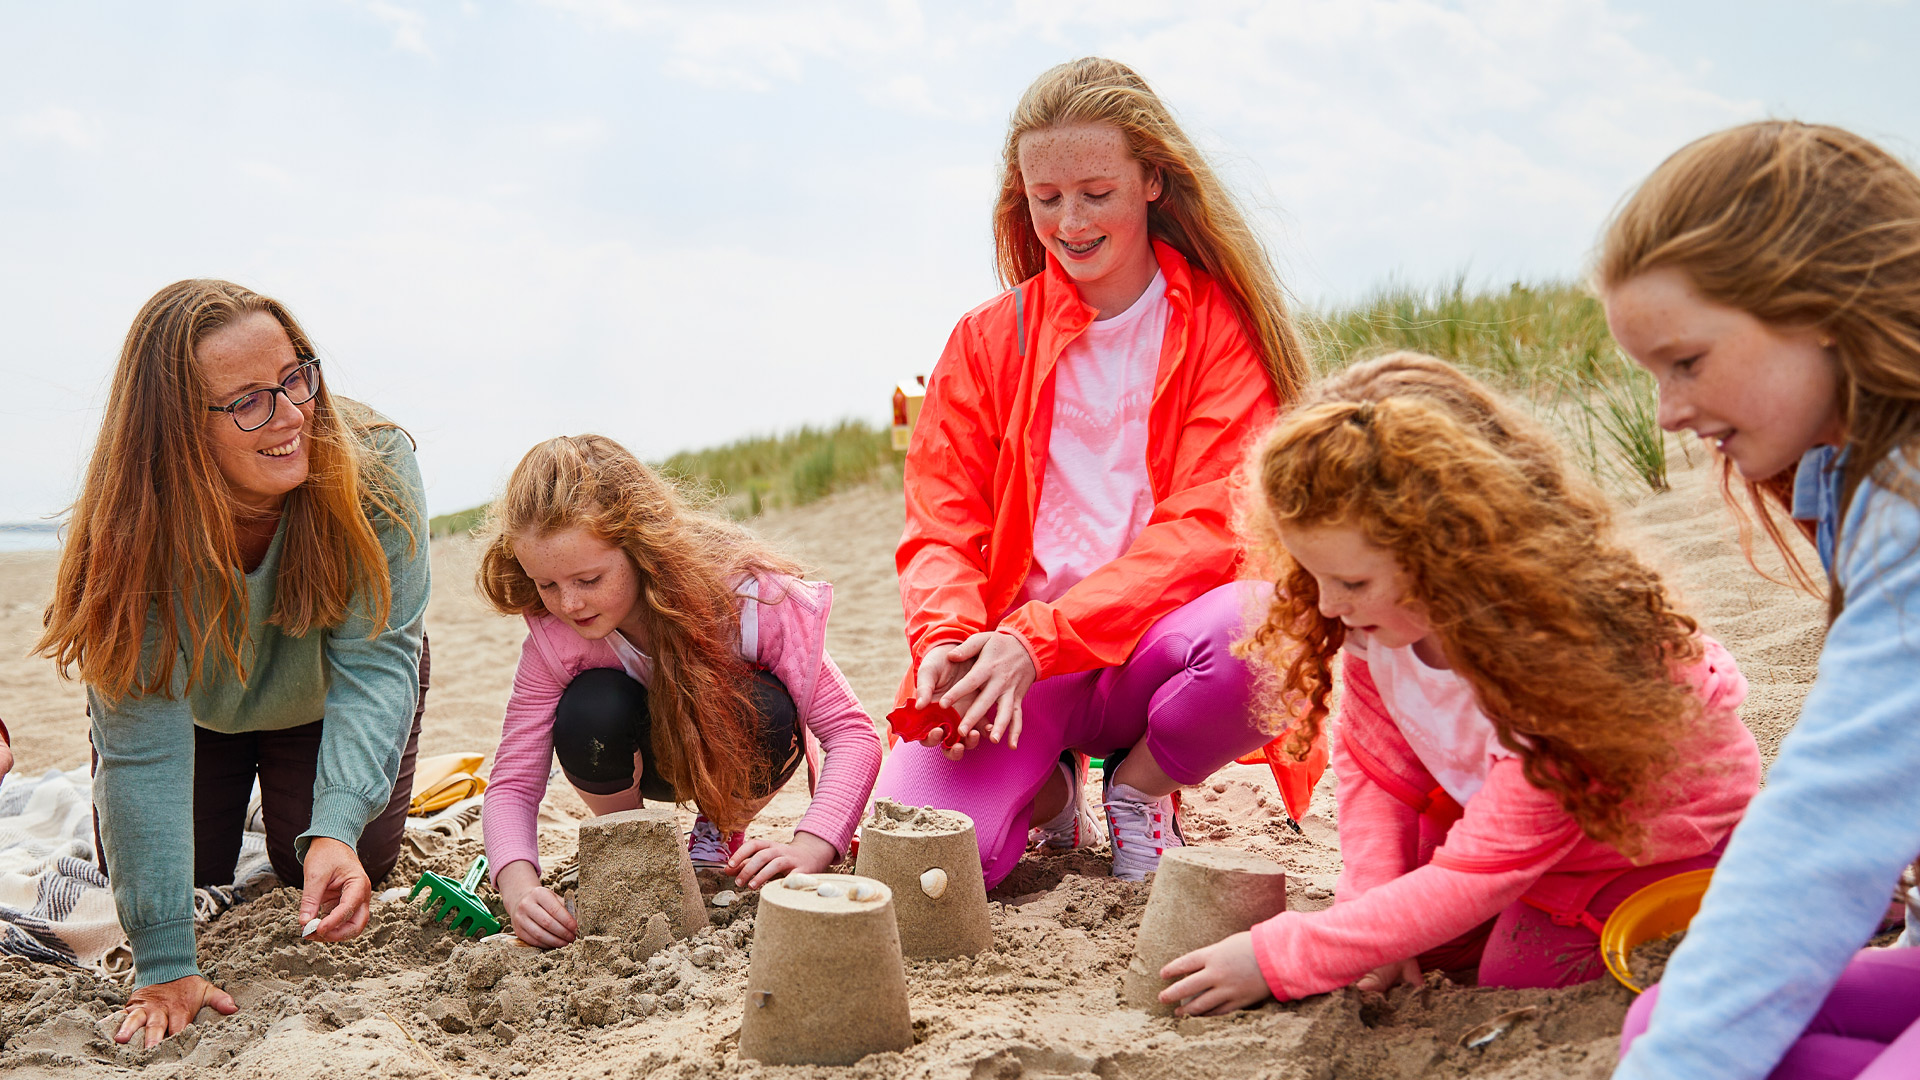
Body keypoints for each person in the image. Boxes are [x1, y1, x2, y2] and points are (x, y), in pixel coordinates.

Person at [1157, 353, 1761, 1014]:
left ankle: (1731, 884)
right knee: (1411, 940)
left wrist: (1281, 957)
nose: (1327, 605)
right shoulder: (1378, 627)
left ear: (1446, 553)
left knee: (1518, 973)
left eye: (1352, 581)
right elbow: (1377, 769)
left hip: (1642, 841)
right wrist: (1364, 910)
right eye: (1313, 573)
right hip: (1501, 818)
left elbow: (1479, 875)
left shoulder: (1556, 680)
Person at [878, 56, 1315, 886]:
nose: (1070, 222)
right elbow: (940, 526)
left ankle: (1142, 788)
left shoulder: (1222, 327)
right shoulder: (983, 339)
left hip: (1154, 651)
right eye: (1046, 198)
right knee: (929, 864)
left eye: (1096, 192)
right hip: (1017, 662)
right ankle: (1051, 791)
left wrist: (1040, 639)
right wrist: (949, 639)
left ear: (1152, 180)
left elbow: (1207, 529)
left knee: (1277, 628)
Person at [1601, 121, 1920, 1080]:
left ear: (1819, 307)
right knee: (1670, 1025)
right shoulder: (1856, 480)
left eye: (1687, 362)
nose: (1668, 413)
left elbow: (1829, 820)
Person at [36, 280, 430, 1047]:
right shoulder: (131, 520)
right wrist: (163, 964)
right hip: (195, 711)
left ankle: (298, 804)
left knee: (334, 860)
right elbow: (142, 749)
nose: (291, 415)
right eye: (249, 400)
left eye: (295, 377)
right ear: (179, 429)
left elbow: (378, 663)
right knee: (183, 876)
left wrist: (337, 825)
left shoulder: (376, 461)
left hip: (324, 696)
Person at [475, 435, 882, 948]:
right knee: (591, 708)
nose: (569, 604)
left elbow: (853, 735)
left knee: (767, 707)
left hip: (729, 757)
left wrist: (812, 845)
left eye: (589, 579)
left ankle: (718, 833)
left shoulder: (748, 600)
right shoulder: (555, 639)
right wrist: (518, 888)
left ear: (641, 548)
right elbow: (512, 782)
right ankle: (630, 843)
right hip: (634, 763)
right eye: (547, 585)